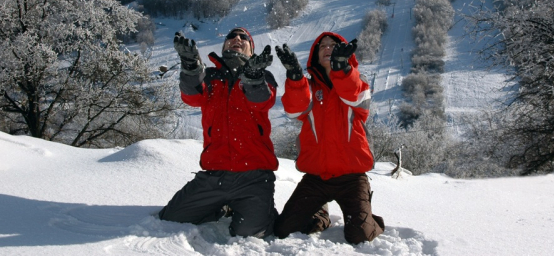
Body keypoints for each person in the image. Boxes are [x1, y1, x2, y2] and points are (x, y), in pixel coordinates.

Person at [158, 27, 279, 238]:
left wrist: (252, 76)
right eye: (231, 36)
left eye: (243, 38)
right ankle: (222, 205)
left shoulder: (263, 76)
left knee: (250, 233)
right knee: (172, 218)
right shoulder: (210, 76)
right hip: (214, 176)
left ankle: (258, 208)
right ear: (224, 46)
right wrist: (190, 66)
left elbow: (261, 100)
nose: (237, 39)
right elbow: (192, 96)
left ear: (251, 49)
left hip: (254, 177)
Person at [273, 32, 385, 244]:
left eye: (333, 45)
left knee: (359, 235)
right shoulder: (308, 88)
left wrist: (342, 70)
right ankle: (320, 214)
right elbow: (294, 111)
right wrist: (295, 78)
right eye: (322, 46)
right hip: (317, 178)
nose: (327, 48)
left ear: (343, 52)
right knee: (283, 228)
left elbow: (359, 101)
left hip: (352, 177)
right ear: (315, 55)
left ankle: (368, 218)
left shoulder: (357, 83)